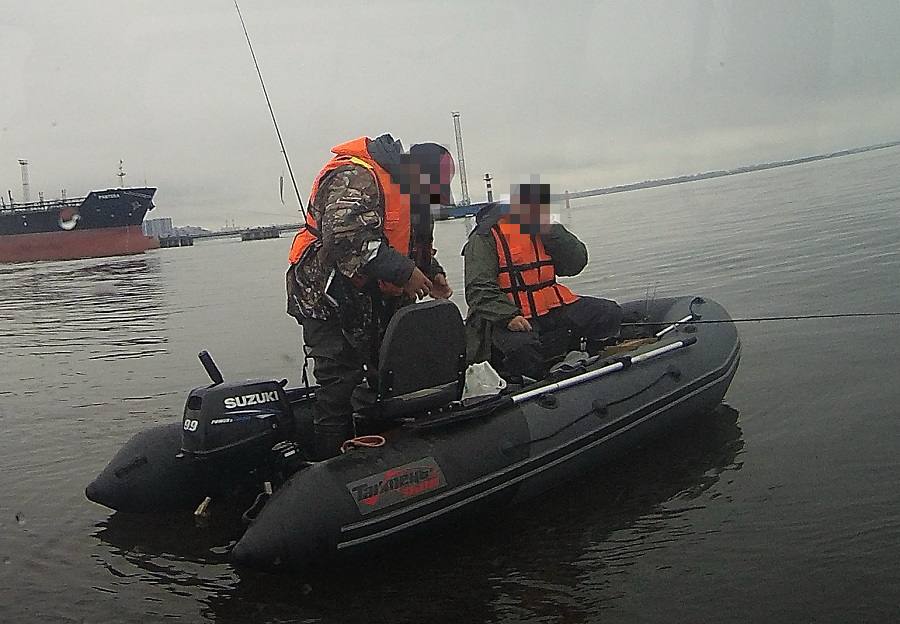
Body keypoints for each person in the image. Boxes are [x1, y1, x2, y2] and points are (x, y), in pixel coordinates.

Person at [286, 134, 455, 459]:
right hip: (327, 299)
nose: (437, 198)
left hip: (377, 302)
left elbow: (404, 243)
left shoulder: (411, 193)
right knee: (339, 386)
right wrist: (406, 274)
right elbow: (346, 238)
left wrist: (431, 272)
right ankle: (329, 467)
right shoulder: (357, 176)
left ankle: (385, 454)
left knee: (390, 375)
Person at [463, 182, 622, 380]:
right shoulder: (485, 237)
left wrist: (551, 231)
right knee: (521, 348)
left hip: (551, 306)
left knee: (607, 312)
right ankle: (533, 384)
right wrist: (508, 317)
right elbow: (478, 289)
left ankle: (597, 362)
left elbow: (575, 264)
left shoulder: (547, 229)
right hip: (508, 316)